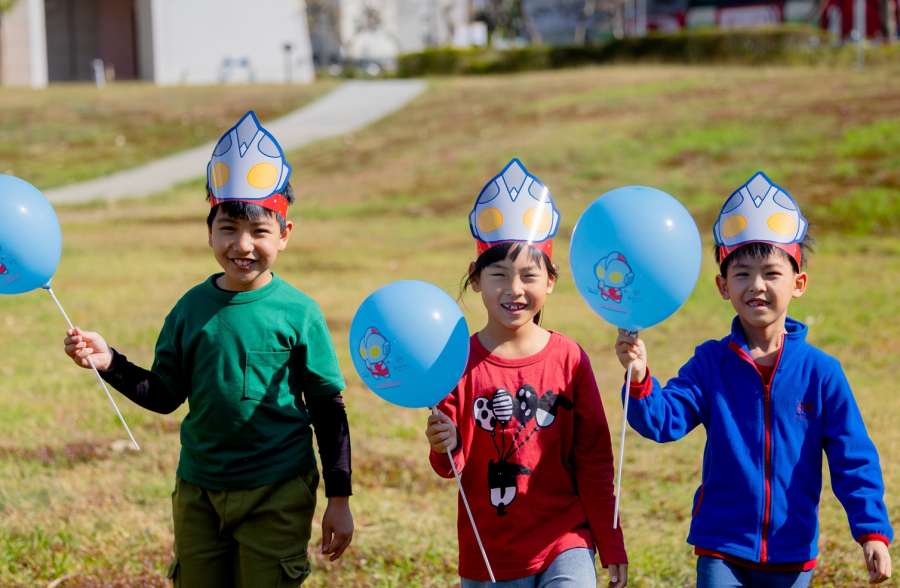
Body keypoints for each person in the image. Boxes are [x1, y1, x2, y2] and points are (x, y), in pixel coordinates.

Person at [63, 111, 353, 587]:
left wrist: (339, 498)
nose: (243, 244)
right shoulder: (190, 310)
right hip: (199, 489)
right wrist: (109, 362)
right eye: (229, 228)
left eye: (260, 231)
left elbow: (327, 407)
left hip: (277, 490)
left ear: (284, 234)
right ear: (209, 230)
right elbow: (164, 394)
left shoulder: (299, 313)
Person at [615, 172, 892, 587]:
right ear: (722, 286)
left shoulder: (822, 372)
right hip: (721, 547)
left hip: (792, 551)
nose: (756, 286)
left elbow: (853, 456)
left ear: (798, 284)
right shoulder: (710, 363)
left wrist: (872, 532)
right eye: (742, 274)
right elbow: (661, 421)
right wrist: (639, 378)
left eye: (771, 274)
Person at [426, 159, 628, 587]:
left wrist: (610, 542)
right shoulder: (456, 362)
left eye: (528, 276)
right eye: (498, 275)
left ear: (551, 281)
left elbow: (594, 460)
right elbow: (449, 466)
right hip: (491, 553)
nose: (514, 289)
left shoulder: (570, 358)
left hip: (565, 539)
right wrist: (444, 441)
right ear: (476, 280)